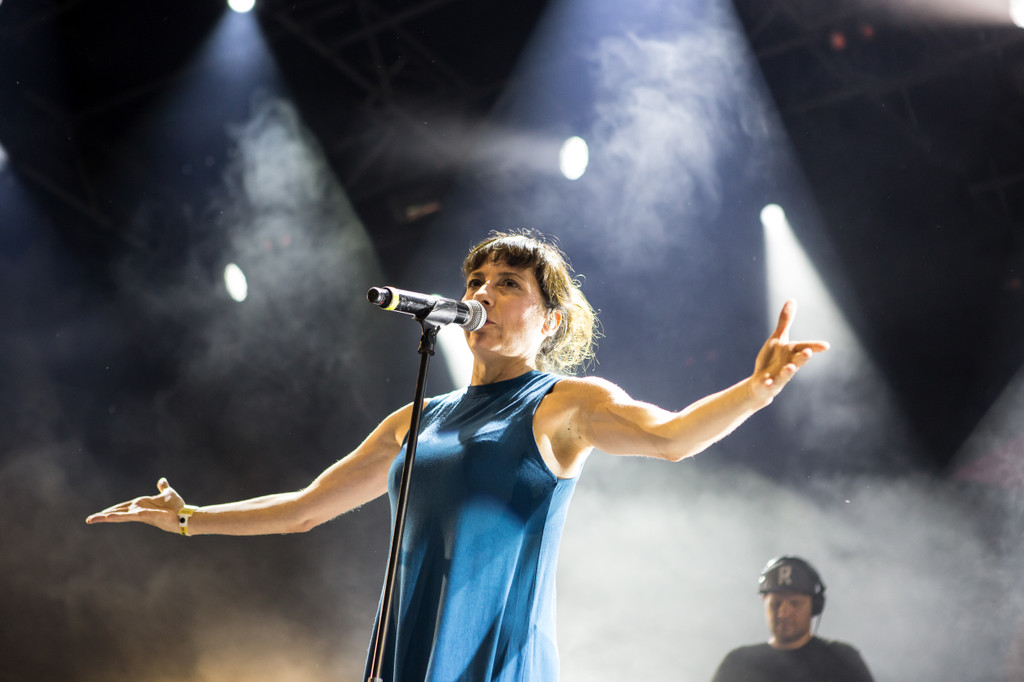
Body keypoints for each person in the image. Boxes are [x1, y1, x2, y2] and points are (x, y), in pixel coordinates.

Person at [87, 231, 829, 682]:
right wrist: (189, 518)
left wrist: (756, 391)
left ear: (550, 320)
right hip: (407, 656)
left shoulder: (564, 404)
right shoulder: (416, 420)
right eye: (475, 281)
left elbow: (672, 437)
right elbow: (305, 509)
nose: (482, 294)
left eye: (507, 284)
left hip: (497, 661)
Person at [711, 555, 874, 682]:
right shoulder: (738, 663)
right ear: (764, 602)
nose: (783, 613)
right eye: (776, 603)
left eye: (795, 604)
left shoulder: (841, 660)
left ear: (815, 606)